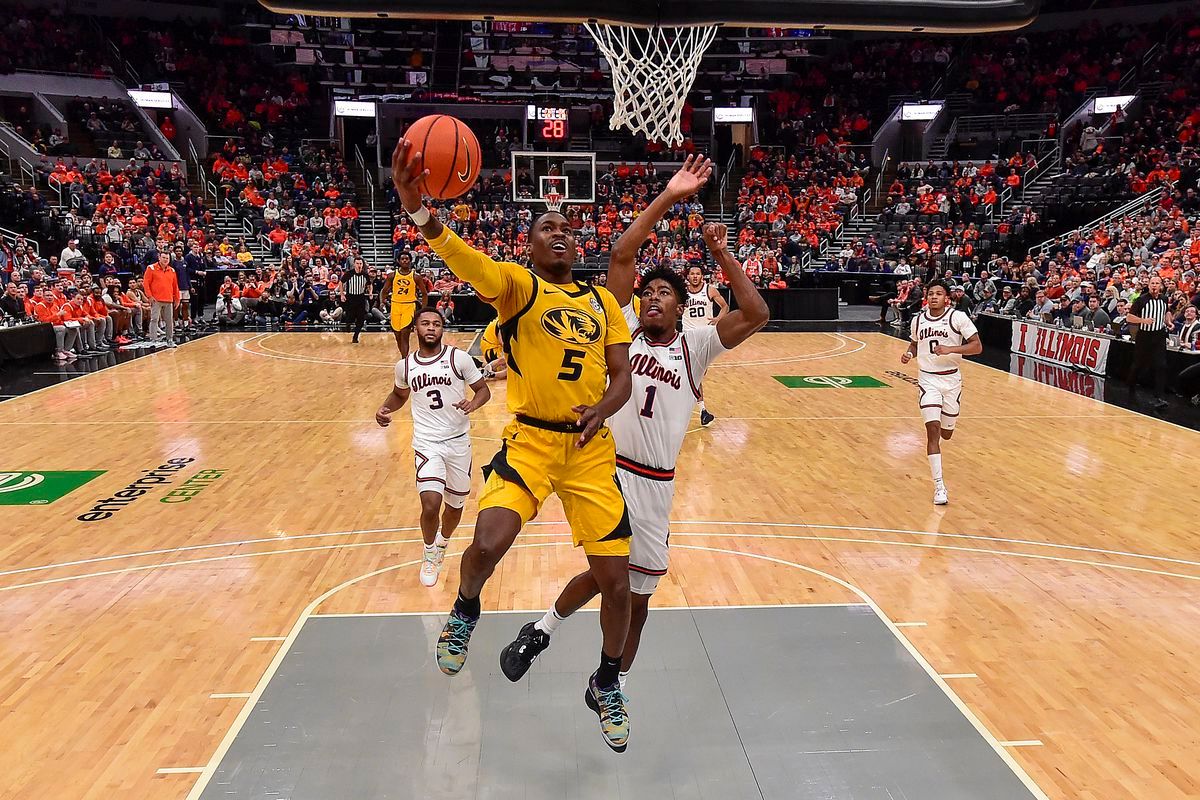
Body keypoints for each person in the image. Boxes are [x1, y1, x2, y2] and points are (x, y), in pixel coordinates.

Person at [392, 137, 635, 752]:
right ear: (527, 246)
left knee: (616, 583)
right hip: (529, 442)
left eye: (567, 229)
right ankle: (465, 611)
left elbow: (623, 378)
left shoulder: (604, 301)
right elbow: (464, 260)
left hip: (588, 451)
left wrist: (601, 409)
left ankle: (606, 682)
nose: (561, 234)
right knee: (486, 544)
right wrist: (418, 209)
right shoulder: (518, 288)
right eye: (547, 227)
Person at [500, 164, 769, 696]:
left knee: (636, 601)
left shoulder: (698, 344)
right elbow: (623, 254)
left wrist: (721, 254)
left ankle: (600, 677)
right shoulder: (617, 325)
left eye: (664, 293)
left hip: (659, 484)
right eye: (648, 293)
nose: (652, 298)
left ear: (680, 305)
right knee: (612, 578)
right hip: (607, 468)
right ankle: (552, 640)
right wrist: (669, 196)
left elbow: (757, 312)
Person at [375, 308, 491, 586]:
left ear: (442, 329)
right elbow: (400, 394)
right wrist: (385, 408)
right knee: (430, 504)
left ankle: (442, 543)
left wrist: (473, 404)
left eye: (436, 324)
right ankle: (429, 553)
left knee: (454, 506)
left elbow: (483, 390)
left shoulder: (458, 359)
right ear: (415, 328)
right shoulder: (405, 366)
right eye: (425, 323)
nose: (431, 328)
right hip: (427, 443)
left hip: (458, 442)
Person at [901, 279, 982, 505]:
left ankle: (950, 424)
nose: (934, 297)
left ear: (947, 297)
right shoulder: (918, 320)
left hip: (952, 379)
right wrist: (909, 353)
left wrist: (950, 349)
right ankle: (939, 486)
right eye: (931, 293)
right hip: (927, 379)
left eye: (939, 293)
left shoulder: (957, 317)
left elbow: (977, 346)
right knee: (932, 429)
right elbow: (915, 344)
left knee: (947, 433)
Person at [682, 265, 729, 426]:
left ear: (702, 276)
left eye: (698, 274)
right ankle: (702, 411)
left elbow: (725, 306)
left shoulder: (710, 290)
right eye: (692, 274)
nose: (695, 276)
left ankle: (699, 409)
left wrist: (718, 318)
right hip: (688, 336)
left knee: (696, 375)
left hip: (705, 337)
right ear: (688, 276)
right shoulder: (682, 291)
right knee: (694, 374)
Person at [1126, 275, 1173, 409]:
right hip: (1144, 335)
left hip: (1159, 335)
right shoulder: (1141, 300)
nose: (1154, 285)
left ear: (1161, 286)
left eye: (1157, 283)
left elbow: (1166, 313)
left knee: (1161, 365)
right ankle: (1131, 385)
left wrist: (1168, 322)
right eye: (1152, 283)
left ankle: (1159, 396)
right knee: (1138, 364)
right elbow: (1129, 317)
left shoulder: (1164, 299)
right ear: (1149, 285)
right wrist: (1143, 321)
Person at [383, 252, 426, 357]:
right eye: (402, 259)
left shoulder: (416, 277)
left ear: (410, 261)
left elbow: (424, 294)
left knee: (404, 333)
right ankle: (404, 356)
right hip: (395, 305)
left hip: (409, 306)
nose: (405, 261)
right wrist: (382, 302)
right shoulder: (392, 275)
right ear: (398, 261)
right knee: (397, 335)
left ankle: (404, 360)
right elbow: (384, 291)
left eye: (407, 259)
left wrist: (423, 310)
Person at [144, 251, 181, 348]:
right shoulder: (151, 268)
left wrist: (177, 298)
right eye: (164, 258)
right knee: (154, 319)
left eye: (167, 258)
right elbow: (146, 283)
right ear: (159, 258)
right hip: (156, 299)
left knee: (169, 321)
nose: (165, 260)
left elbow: (175, 286)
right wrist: (149, 296)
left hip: (168, 298)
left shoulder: (172, 270)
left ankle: (170, 339)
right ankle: (153, 340)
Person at [341, 257, 371, 343]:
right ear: (354, 264)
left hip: (360, 297)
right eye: (357, 263)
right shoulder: (349, 273)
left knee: (361, 319)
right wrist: (342, 294)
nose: (359, 265)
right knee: (350, 316)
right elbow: (341, 282)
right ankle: (348, 324)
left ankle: (355, 336)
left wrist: (370, 292)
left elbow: (369, 284)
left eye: (360, 263)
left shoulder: (365, 274)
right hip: (350, 297)